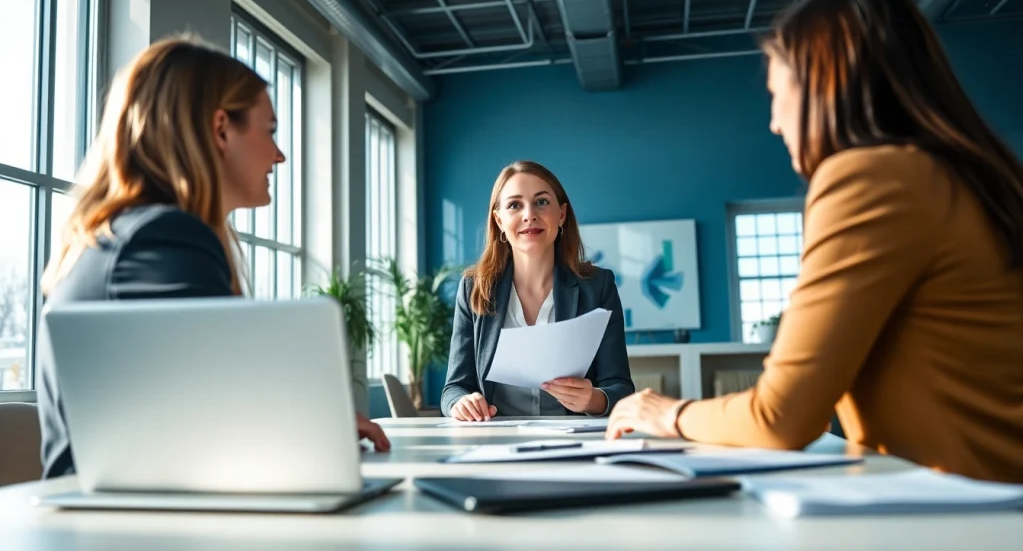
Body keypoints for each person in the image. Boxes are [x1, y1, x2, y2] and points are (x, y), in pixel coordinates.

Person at [606, 0, 1023, 484]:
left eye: (777, 95)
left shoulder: (871, 176)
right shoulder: (968, 176)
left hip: (974, 516)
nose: (775, 124)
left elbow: (780, 417)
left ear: (824, 84)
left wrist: (667, 414)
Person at [36, 35, 389, 479]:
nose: (279, 155)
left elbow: (185, 411)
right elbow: (223, 422)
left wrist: (313, 425)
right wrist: (314, 430)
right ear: (221, 128)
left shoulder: (124, 234)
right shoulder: (162, 238)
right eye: (270, 130)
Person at [441, 161, 634, 421]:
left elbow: (620, 387)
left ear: (562, 214)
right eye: (514, 205)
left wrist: (595, 399)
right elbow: (454, 388)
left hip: (574, 442)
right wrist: (460, 403)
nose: (529, 214)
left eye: (541, 202)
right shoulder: (474, 288)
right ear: (499, 220)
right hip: (495, 440)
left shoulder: (598, 286)